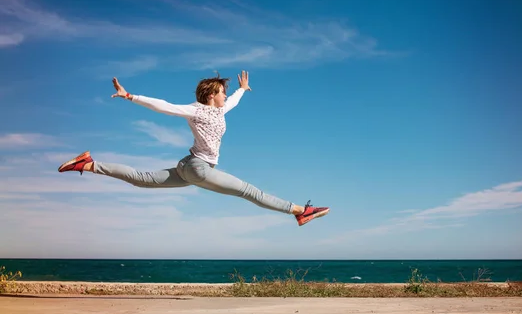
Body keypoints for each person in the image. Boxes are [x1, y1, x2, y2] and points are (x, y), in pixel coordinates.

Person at [57, 71, 330, 226]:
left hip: (189, 167)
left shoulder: (220, 111)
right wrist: (131, 96)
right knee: (249, 191)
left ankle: (88, 164)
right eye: (222, 92)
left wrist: (242, 90)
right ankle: (299, 211)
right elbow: (163, 105)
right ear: (211, 95)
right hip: (197, 168)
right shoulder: (196, 110)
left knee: (142, 180)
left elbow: (232, 102)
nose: (225, 95)